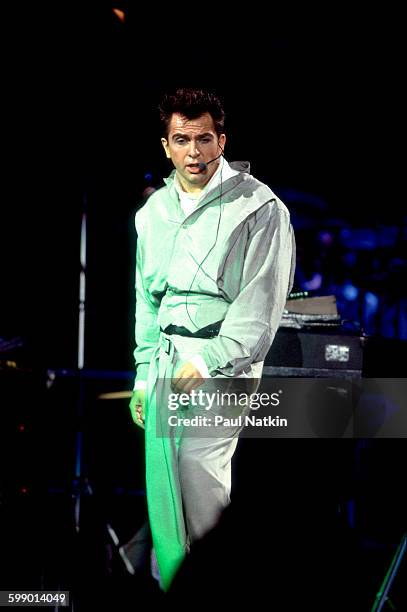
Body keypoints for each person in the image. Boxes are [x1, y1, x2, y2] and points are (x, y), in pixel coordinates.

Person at [129, 88, 295, 591]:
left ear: (222, 141)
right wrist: (141, 374)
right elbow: (147, 300)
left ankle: (216, 592)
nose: (194, 151)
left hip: (221, 367)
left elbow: (259, 309)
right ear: (166, 147)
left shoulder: (259, 206)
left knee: (199, 479)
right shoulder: (154, 211)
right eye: (182, 140)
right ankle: (174, 592)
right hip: (164, 363)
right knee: (164, 498)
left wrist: (208, 359)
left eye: (205, 138)